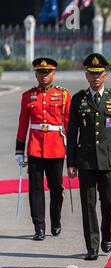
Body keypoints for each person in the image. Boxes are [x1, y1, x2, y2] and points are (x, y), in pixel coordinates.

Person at [66, 53, 111, 261]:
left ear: (106, 75)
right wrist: (71, 163)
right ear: (86, 75)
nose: (95, 78)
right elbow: (72, 132)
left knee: (109, 202)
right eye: (92, 74)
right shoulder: (78, 100)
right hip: (85, 161)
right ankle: (92, 245)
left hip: (109, 161)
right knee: (88, 204)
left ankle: (107, 233)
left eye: (99, 74)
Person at [15, 57, 71, 241]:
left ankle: (55, 221)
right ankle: (39, 227)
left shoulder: (63, 95)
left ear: (53, 73)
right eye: (40, 72)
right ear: (36, 74)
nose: (43, 75)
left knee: (56, 188)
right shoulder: (28, 96)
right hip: (35, 148)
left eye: (47, 72)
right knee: (35, 189)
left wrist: (72, 149)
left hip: (56, 148)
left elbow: (68, 123)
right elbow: (23, 123)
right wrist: (19, 150)